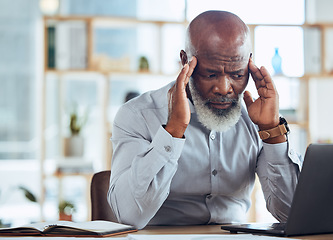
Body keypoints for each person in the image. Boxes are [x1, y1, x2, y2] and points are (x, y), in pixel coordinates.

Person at [107, 10, 303, 229]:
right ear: (185, 62)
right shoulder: (138, 115)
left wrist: (272, 131)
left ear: (250, 64)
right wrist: (172, 132)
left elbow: (291, 215)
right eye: (210, 74)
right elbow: (129, 216)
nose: (224, 88)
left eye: (237, 75)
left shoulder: (257, 118)